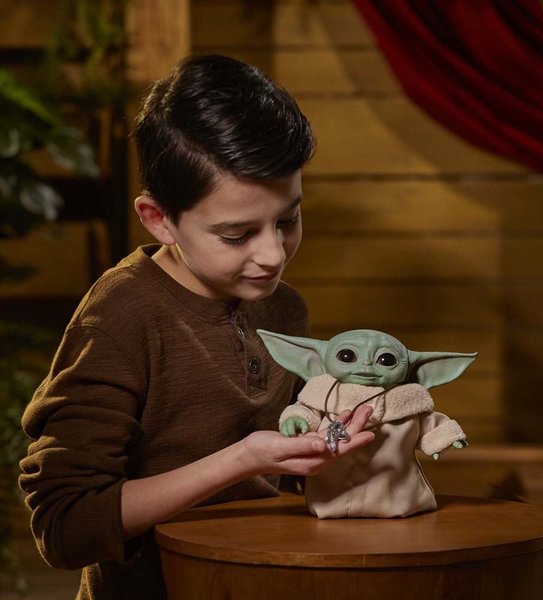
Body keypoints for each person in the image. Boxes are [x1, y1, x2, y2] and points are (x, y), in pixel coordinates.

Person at [18, 54, 375, 600]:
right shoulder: (118, 319)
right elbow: (67, 527)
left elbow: (298, 476)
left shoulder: (283, 307)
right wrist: (243, 460)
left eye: (287, 220)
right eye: (237, 235)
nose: (273, 254)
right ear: (159, 219)